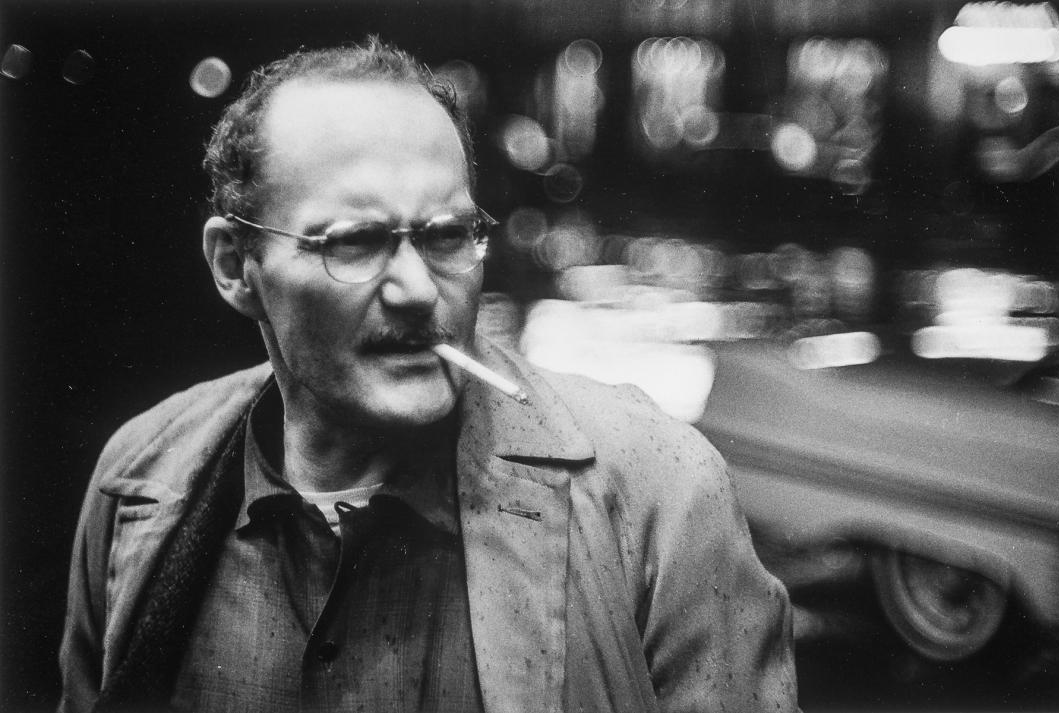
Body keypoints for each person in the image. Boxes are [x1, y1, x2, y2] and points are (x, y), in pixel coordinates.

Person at [58, 37, 799, 713]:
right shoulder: (141, 483)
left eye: (446, 235)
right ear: (234, 266)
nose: (417, 289)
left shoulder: (657, 494)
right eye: (354, 242)